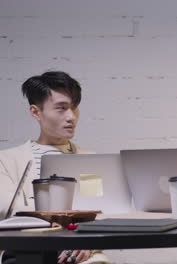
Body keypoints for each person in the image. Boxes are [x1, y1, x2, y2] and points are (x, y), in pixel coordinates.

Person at [0, 71, 109, 264]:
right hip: (24, 251)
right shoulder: (7, 160)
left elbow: (101, 212)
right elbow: (8, 212)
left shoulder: (89, 159)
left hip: (79, 253)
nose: (71, 116)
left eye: (74, 108)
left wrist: (88, 243)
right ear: (36, 112)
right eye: (61, 108)